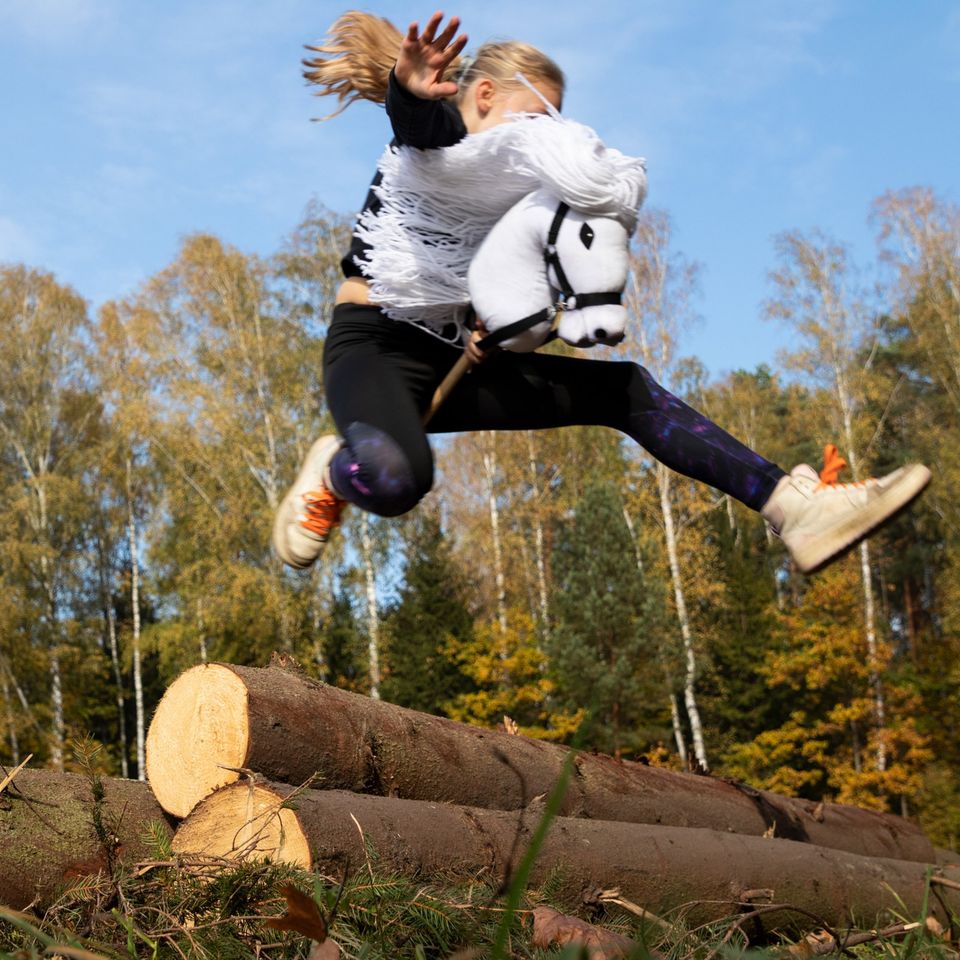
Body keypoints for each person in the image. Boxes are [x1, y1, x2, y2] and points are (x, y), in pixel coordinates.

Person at [273, 9, 930, 576]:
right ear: (482, 97)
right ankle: (335, 470)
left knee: (626, 391)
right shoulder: (438, 153)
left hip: (460, 364)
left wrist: (512, 322)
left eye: (555, 120)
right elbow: (421, 127)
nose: (545, 133)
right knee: (396, 480)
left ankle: (794, 507)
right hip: (377, 352)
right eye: (534, 114)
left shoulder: (532, 201)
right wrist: (409, 94)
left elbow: (549, 293)